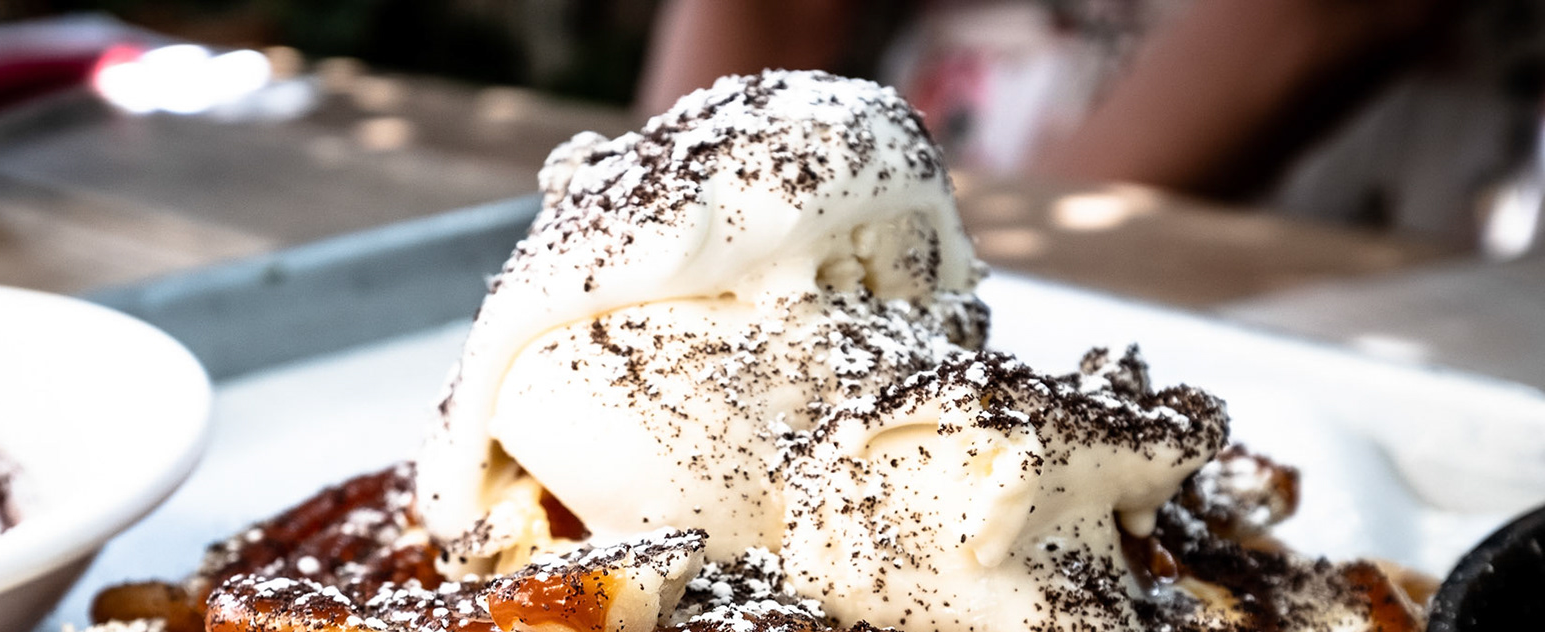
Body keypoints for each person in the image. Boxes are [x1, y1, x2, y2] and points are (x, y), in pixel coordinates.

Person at [637, 0, 1545, 246]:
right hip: (958, 141)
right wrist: (671, 231)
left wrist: (969, 277)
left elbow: (1335, 15)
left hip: (1305, 193)